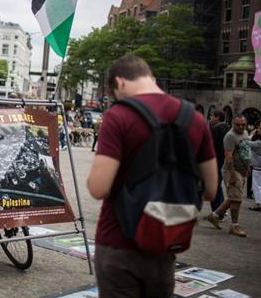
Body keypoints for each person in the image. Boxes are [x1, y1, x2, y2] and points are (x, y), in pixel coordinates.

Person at [87, 55, 217, 298]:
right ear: (152, 78)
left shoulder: (118, 116)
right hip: (166, 242)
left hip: (119, 242)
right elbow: (210, 189)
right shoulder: (195, 119)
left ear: (120, 83)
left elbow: (98, 188)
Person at [206, 114, 251, 237]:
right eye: (238, 124)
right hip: (232, 170)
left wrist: (247, 168)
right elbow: (229, 157)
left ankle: (214, 216)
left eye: (243, 124)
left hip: (241, 170)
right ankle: (234, 226)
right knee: (236, 199)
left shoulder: (245, 133)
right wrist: (233, 176)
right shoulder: (230, 136)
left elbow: (246, 152)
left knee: (233, 197)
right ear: (232, 123)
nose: (241, 127)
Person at [209, 109, 231, 219]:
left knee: (214, 188)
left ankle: (217, 213)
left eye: (212, 116)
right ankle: (221, 210)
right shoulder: (228, 128)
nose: (210, 118)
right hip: (225, 162)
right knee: (218, 187)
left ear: (217, 117)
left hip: (216, 162)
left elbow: (210, 147)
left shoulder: (215, 129)